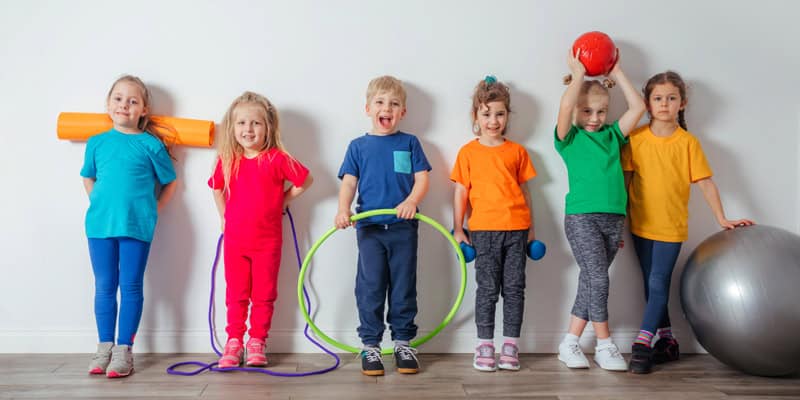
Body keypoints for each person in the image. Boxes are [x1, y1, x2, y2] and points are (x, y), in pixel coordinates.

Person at [622, 71, 754, 374]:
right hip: (639, 224)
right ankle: (668, 342)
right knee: (649, 285)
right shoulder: (636, 138)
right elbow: (626, 182)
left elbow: (706, 183)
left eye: (671, 98)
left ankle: (642, 344)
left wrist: (722, 217)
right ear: (648, 103)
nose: (664, 104)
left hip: (670, 227)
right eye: (658, 99)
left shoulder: (687, 143)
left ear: (682, 103)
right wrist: (618, 222)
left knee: (658, 283)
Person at [554, 49, 646, 371]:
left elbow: (639, 107)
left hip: (613, 218)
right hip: (582, 218)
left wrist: (617, 72)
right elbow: (566, 106)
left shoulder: (613, 136)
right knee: (599, 278)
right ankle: (605, 344)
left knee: (590, 281)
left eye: (601, 111)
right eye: (587, 111)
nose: (594, 118)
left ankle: (569, 343)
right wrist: (578, 76)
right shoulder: (568, 138)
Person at [82, 75, 178, 378]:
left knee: (131, 285)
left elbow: (170, 182)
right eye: (119, 98)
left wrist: (154, 211)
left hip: (137, 225)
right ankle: (104, 348)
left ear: (143, 110)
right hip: (99, 226)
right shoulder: (96, 142)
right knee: (105, 286)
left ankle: (124, 350)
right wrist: (98, 204)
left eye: (132, 100)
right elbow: (88, 177)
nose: (125, 104)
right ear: (108, 104)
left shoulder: (151, 145)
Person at [209, 91, 313, 368]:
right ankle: (234, 341)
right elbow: (217, 188)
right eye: (241, 123)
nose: (248, 129)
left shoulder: (277, 159)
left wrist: (283, 201)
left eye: (255, 123)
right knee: (236, 293)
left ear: (268, 127)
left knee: (264, 293)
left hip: (267, 242)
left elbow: (305, 179)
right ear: (232, 128)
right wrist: (224, 216)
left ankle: (257, 341)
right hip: (235, 241)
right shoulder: (228, 159)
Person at [335, 75, 431, 376]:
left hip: (403, 227)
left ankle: (403, 342)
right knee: (371, 286)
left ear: (402, 111)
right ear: (367, 109)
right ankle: (371, 346)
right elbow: (349, 182)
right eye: (379, 102)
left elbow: (422, 178)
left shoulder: (409, 143)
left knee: (403, 286)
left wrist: (412, 201)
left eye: (393, 103)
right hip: (370, 229)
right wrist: (342, 210)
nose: (386, 108)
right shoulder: (358, 146)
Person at [451, 76, 537, 372]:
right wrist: (459, 228)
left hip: (517, 230)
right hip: (483, 231)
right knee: (487, 289)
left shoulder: (517, 151)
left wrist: (532, 230)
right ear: (476, 116)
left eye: (499, 114)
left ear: (507, 115)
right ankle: (484, 344)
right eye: (486, 114)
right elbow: (461, 191)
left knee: (514, 289)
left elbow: (525, 192)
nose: (493, 120)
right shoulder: (468, 153)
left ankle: (510, 345)